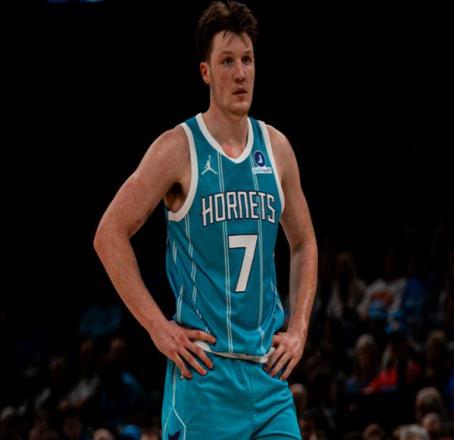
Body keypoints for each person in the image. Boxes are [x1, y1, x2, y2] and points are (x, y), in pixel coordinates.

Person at [93, 1, 318, 439]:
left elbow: (304, 243)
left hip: (268, 380)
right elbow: (109, 234)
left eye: (247, 60)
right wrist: (158, 327)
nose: (241, 73)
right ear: (206, 72)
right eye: (227, 61)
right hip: (205, 379)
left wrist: (298, 329)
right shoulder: (177, 148)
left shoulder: (276, 149)